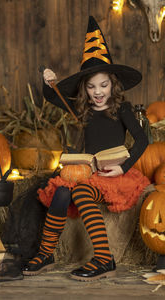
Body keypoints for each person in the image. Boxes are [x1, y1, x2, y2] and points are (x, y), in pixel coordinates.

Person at [22, 16, 150, 281]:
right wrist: (49, 82)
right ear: (84, 89)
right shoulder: (82, 109)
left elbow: (143, 141)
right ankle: (46, 253)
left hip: (115, 175)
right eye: (91, 87)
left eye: (103, 85)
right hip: (87, 171)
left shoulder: (122, 109)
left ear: (113, 84)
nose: (98, 92)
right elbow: (51, 96)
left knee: (80, 190)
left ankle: (104, 259)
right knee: (59, 194)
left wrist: (122, 167)